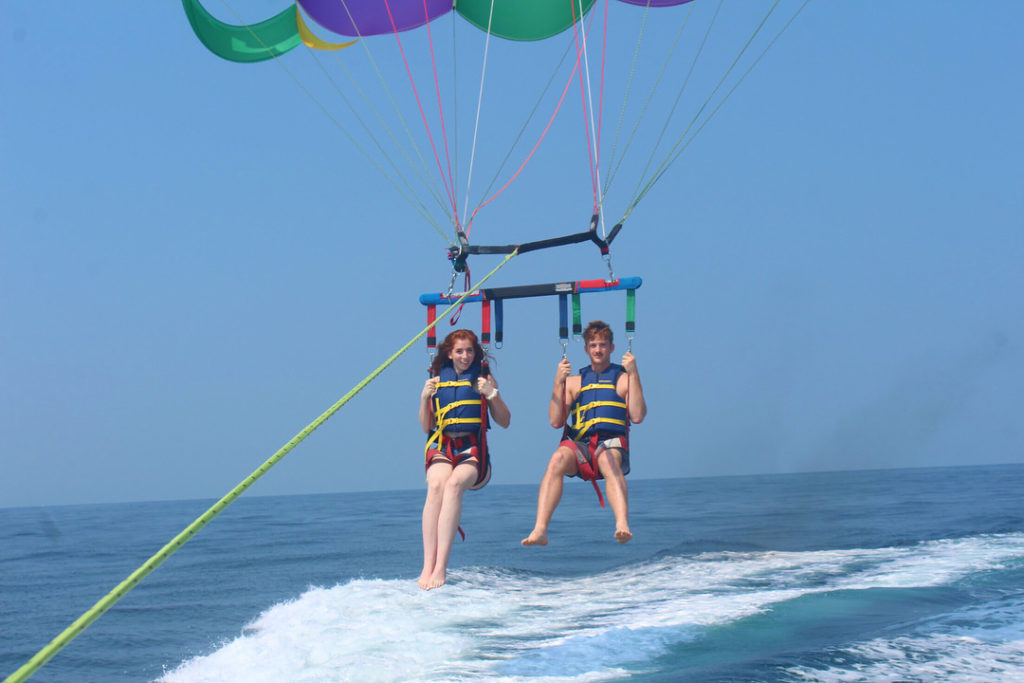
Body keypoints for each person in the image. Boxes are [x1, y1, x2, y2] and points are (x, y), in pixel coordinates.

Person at [522, 320, 646, 546]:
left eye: (603, 345)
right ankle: (540, 529)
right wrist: (557, 381)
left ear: (612, 348)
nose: (598, 350)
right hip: (582, 447)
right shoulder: (574, 382)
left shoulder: (623, 380)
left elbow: (637, 415)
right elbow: (555, 421)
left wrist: (634, 373)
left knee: (608, 460)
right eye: (593, 345)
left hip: (611, 444)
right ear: (586, 349)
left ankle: (622, 524)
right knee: (557, 459)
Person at [418, 329, 510, 590]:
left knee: (454, 485)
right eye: (459, 351)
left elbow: (505, 421)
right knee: (436, 486)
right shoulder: (436, 380)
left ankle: (441, 566)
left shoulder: (483, 379)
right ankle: (427, 564)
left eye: (469, 350)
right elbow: (427, 425)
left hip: (472, 451)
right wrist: (424, 397)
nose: (465, 356)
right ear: (450, 353)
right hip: (443, 447)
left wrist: (492, 395)